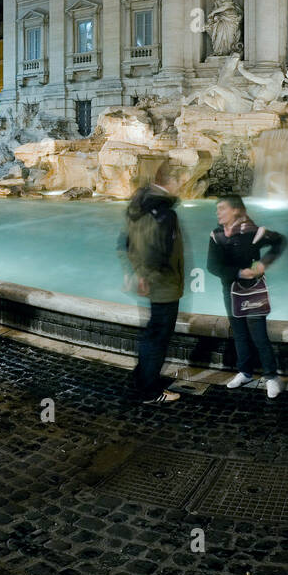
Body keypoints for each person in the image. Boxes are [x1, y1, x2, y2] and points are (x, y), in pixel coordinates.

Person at [119, 160, 188, 399]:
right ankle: (149, 391)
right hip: (164, 283)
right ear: (172, 181)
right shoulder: (165, 213)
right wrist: (145, 275)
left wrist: (133, 273)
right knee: (158, 336)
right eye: (180, 181)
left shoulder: (139, 204)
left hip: (148, 282)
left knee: (151, 333)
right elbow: (156, 250)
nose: (182, 185)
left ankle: (141, 378)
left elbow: (124, 243)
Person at [208, 195, 288, 397]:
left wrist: (261, 265)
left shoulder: (255, 232)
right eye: (217, 209)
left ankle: (271, 377)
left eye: (222, 208)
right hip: (231, 290)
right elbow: (212, 266)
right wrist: (238, 273)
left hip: (253, 289)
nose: (218, 212)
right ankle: (244, 372)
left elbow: (279, 241)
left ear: (235, 210)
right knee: (239, 332)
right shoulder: (217, 235)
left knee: (258, 333)